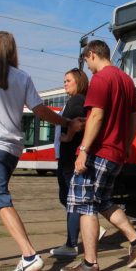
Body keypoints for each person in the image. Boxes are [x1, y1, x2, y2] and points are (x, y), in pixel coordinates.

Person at [0, 31, 82, 271]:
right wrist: (66, 122)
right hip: (13, 150)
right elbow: (40, 111)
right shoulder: (22, 77)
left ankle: (29, 256)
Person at [62, 40, 136, 271]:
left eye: (86, 61)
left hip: (99, 151)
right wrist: (126, 144)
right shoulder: (126, 80)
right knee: (102, 201)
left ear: (92, 54)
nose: (87, 68)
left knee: (85, 205)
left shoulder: (101, 79)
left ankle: (90, 263)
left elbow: (97, 116)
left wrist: (83, 150)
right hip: (116, 153)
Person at [50, 68, 107, 257]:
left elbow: (81, 123)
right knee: (69, 199)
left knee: (72, 201)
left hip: (70, 159)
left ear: (79, 82)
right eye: (64, 80)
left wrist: (69, 135)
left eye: (68, 80)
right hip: (68, 158)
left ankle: (71, 244)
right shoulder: (75, 100)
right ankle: (91, 229)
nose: (65, 83)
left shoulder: (77, 100)